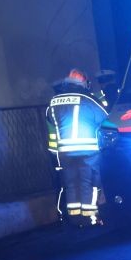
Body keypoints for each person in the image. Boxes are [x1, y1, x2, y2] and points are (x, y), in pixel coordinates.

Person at [46, 69, 106, 225]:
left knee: (71, 183)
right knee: (89, 183)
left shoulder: (54, 102)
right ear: (83, 83)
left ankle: (75, 218)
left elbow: (51, 121)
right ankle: (90, 217)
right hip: (88, 150)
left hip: (64, 151)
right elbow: (105, 118)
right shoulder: (89, 99)